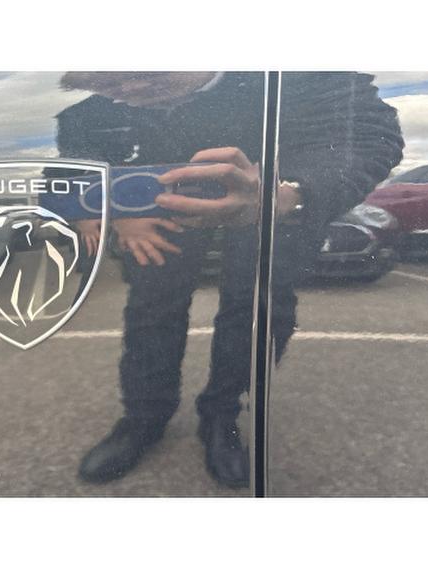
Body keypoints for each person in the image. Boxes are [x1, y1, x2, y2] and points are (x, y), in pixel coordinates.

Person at [56, 72, 404, 487]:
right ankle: (144, 417)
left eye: (143, 73)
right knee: (151, 308)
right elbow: (72, 174)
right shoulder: (84, 117)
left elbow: (367, 137)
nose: (127, 91)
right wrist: (115, 213)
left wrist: (287, 194)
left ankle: (223, 416)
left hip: (275, 205)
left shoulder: (301, 73)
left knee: (257, 306)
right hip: (153, 221)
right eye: (107, 84)